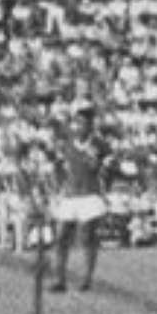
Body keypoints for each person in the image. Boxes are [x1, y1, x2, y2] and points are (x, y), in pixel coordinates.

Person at [49, 108, 110, 293]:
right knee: (61, 237)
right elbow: (58, 167)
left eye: (84, 123)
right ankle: (60, 280)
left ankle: (86, 279)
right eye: (78, 122)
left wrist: (93, 156)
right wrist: (58, 187)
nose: (80, 127)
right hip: (71, 195)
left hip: (90, 194)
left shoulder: (99, 144)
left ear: (91, 125)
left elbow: (96, 168)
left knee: (87, 236)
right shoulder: (67, 144)